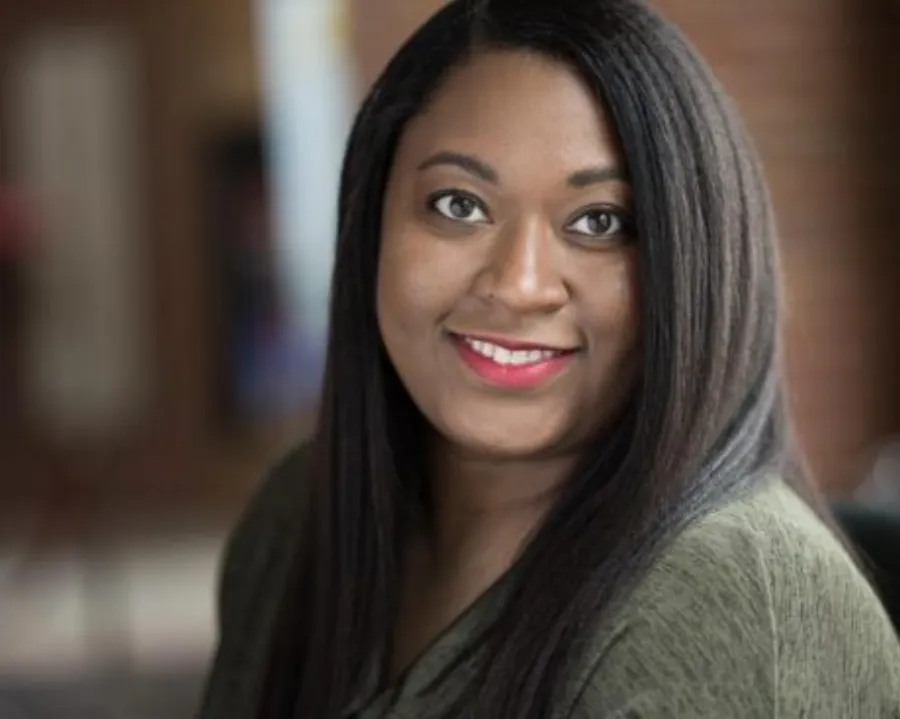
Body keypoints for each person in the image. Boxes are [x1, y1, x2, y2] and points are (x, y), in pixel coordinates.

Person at [197, 0, 900, 717]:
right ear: (372, 221)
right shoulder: (297, 515)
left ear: (692, 267)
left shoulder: (732, 602)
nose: (518, 284)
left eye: (599, 222)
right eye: (458, 205)